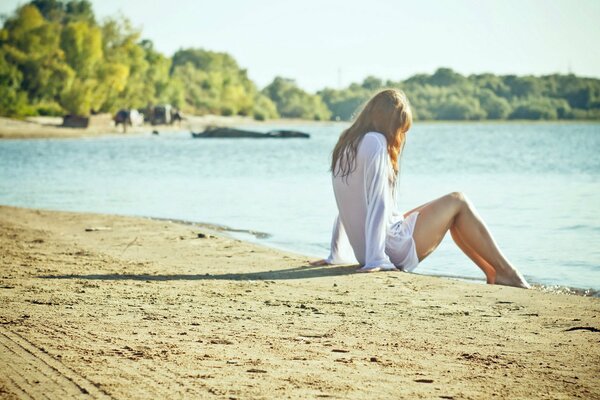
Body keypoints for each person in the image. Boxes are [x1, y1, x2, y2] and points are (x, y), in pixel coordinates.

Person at [311, 89, 530, 288]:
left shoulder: (347, 142)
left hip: (368, 250)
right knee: (458, 201)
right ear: (390, 124)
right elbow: (378, 203)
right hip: (389, 249)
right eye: (401, 129)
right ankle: (508, 272)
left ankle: (493, 273)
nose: (401, 137)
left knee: (450, 211)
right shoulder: (375, 141)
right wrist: (376, 259)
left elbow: (348, 203)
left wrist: (336, 254)